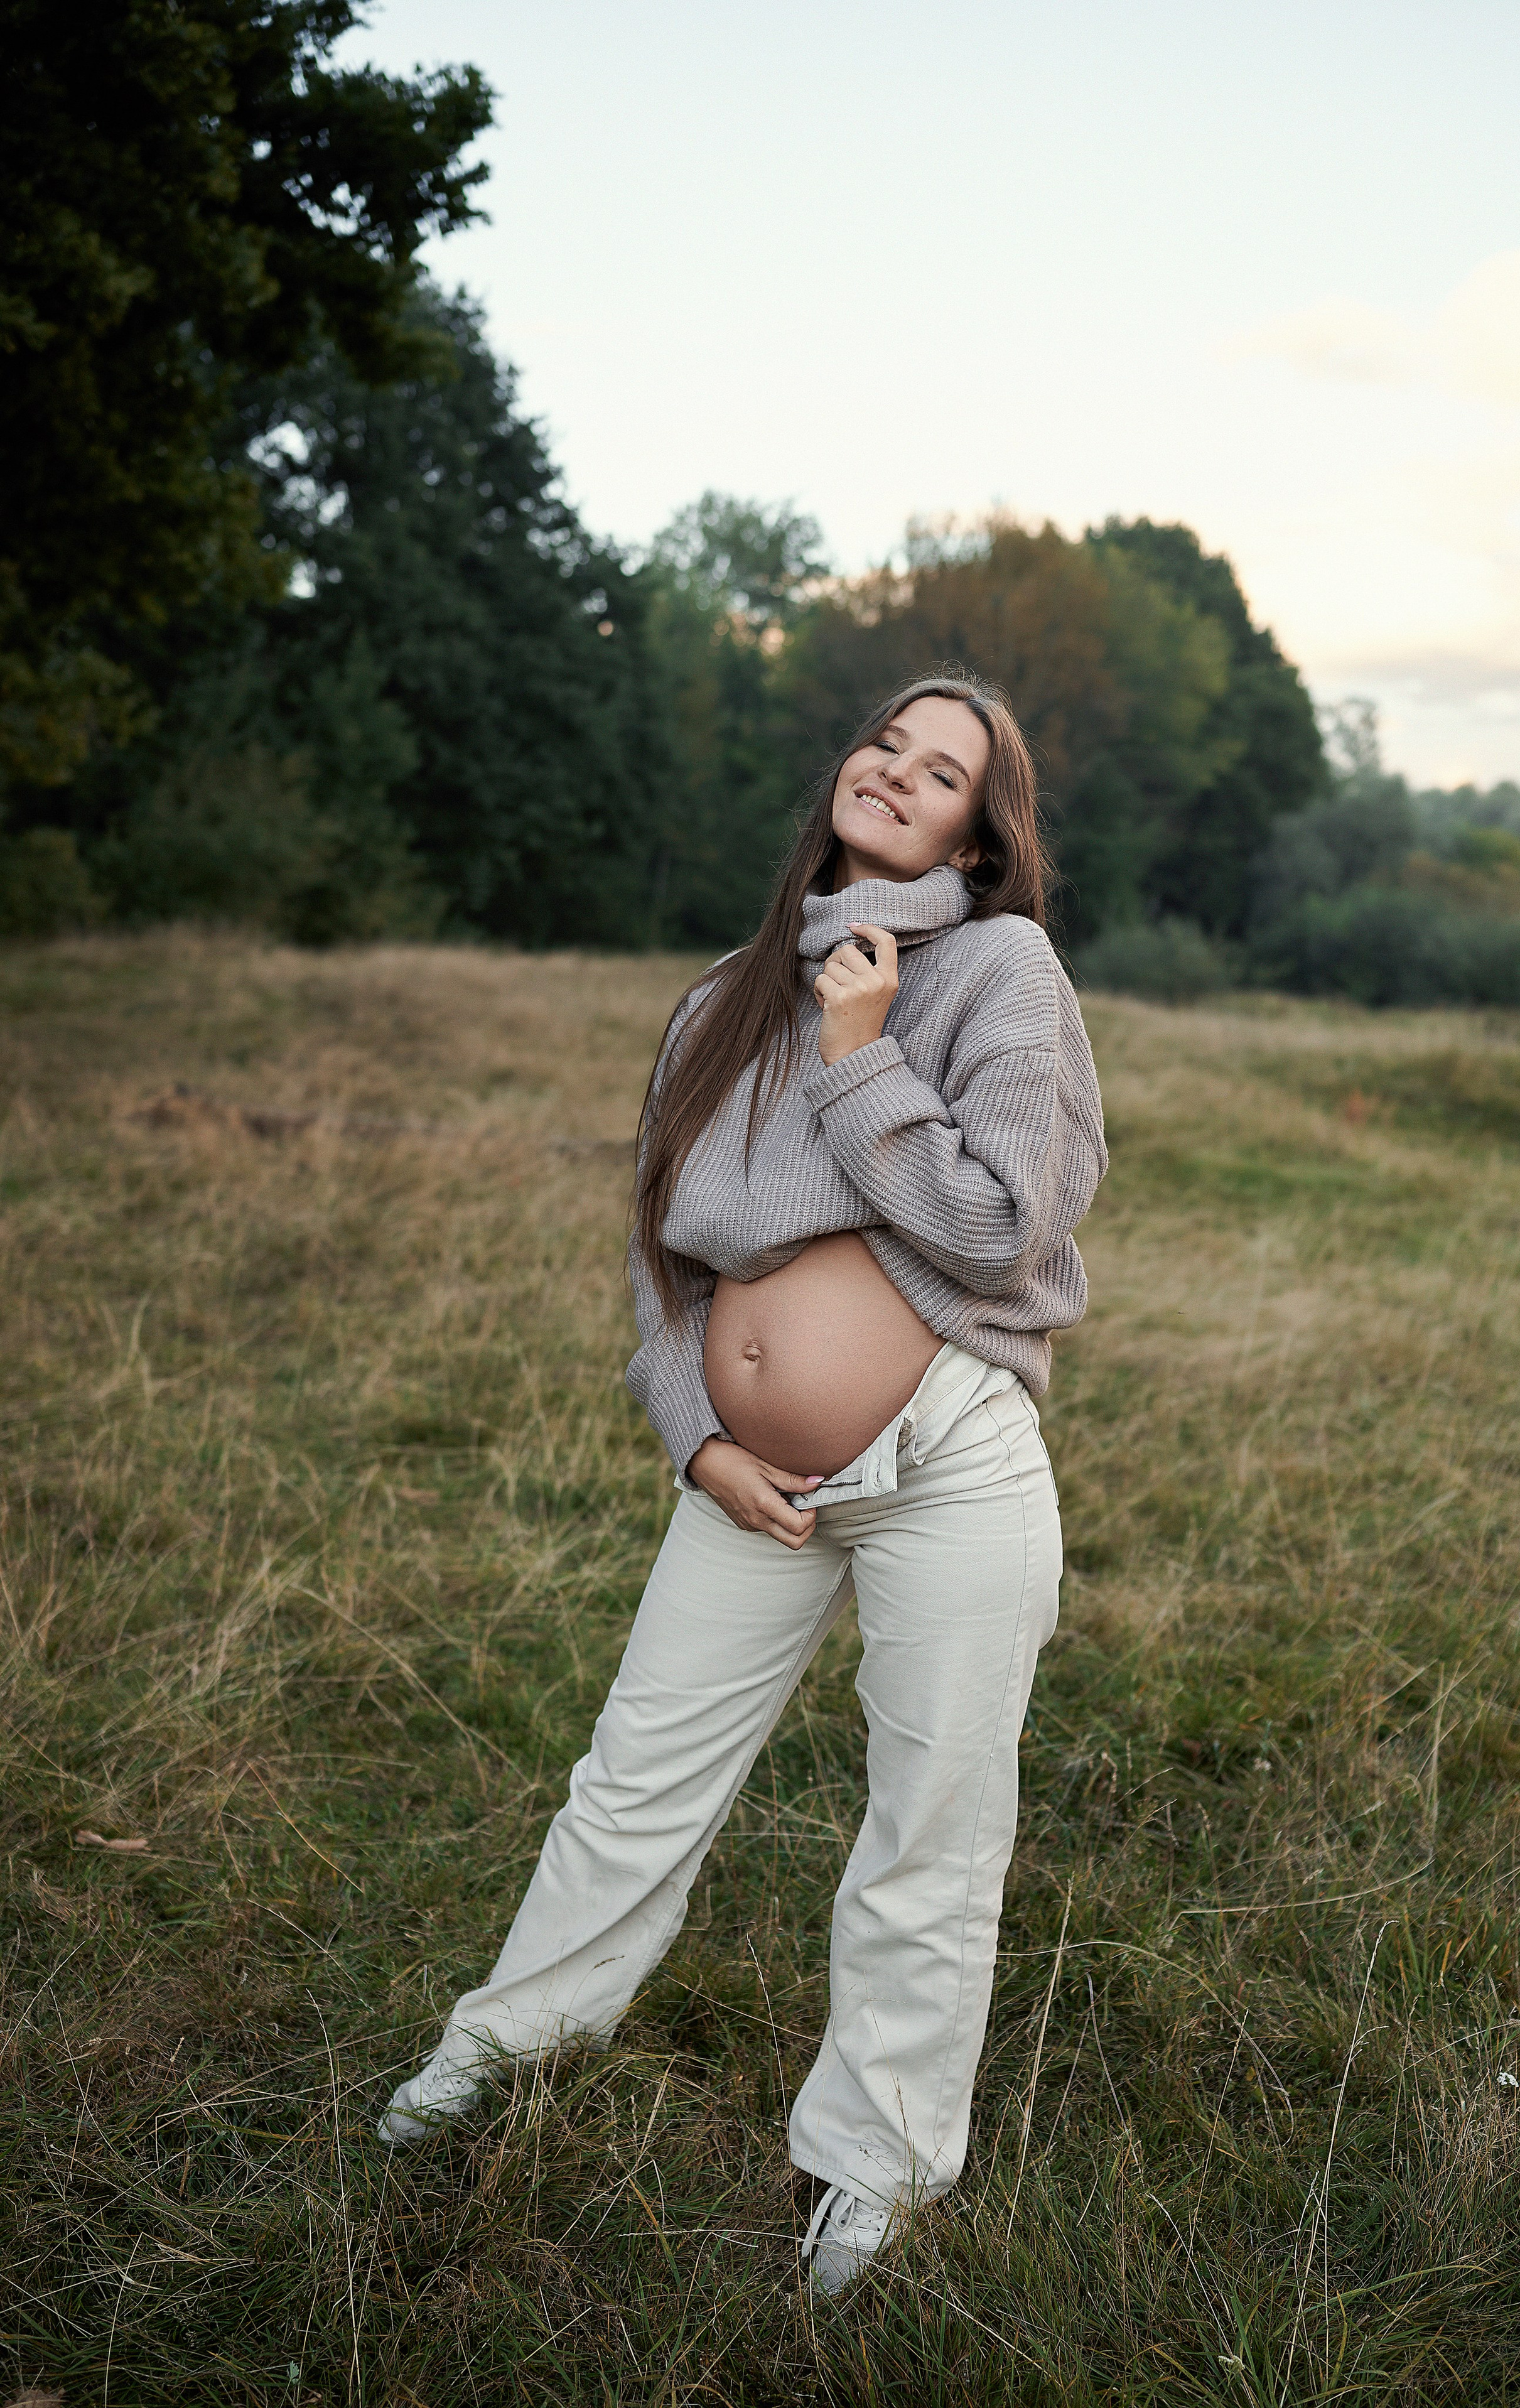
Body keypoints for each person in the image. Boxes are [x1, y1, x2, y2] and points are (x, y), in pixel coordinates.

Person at [379, 672, 1108, 2294]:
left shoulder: (999, 970)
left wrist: (861, 1052)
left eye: (943, 771)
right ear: (846, 773)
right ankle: (491, 2057)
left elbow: (1004, 1224)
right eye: (884, 744)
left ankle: (879, 2172)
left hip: (947, 1466)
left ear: (981, 838)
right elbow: (661, 1255)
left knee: (929, 1821)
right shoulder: (720, 999)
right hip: (751, 1480)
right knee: (632, 1777)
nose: (897, 772)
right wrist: (692, 1432)